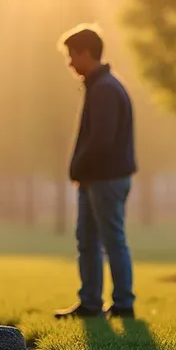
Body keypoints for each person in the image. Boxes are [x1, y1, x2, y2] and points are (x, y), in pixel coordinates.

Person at [53, 25, 137, 320]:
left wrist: (79, 165)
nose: (70, 63)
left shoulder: (105, 89)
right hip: (95, 179)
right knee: (88, 240)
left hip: (106, 178)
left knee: (111, 238)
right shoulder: (100, 86)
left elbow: (101, 139)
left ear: (86, 53)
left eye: (72, 55)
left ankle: (123, 303)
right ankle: (90, 303)